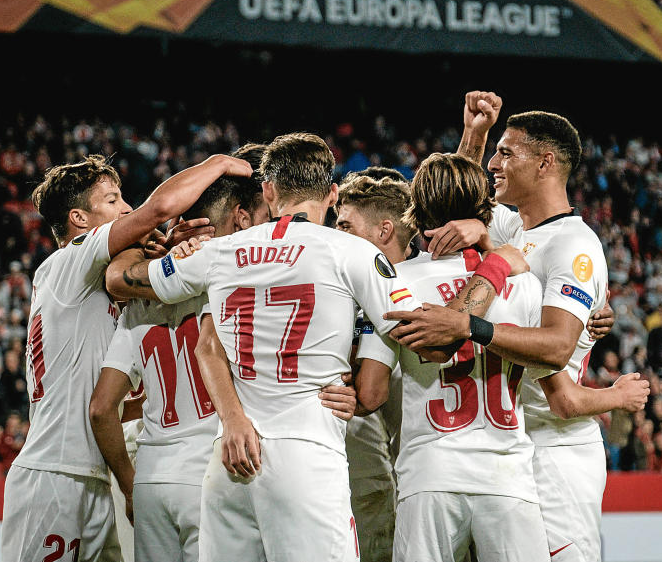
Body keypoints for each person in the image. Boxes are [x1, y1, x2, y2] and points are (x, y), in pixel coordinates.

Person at [104, 133, 425, 562]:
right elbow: (420, 330)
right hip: (307, 452)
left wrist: (164, 247)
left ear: (269, 191)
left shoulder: (218, 252)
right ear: (331, 193)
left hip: (231, 454)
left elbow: (125, 281)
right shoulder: (352, 252)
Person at [385, 95, 621, 561]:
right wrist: (475, 133)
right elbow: (454, 197)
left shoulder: (574, 244)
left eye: (506, 152)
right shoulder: (514, 227)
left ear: (546, 163)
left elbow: (556, 346)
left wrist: (469, 325)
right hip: (504, 438)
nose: (494, 162)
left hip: (555, 445)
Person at [1, 152, 250, 562]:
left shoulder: (95, 287)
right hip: (55, 474)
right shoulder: (69, 260)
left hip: (94, 476)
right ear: (80, 220)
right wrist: (218, 164)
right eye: (113, 200)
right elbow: (160, 208)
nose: (127, 208)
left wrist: (169, 250)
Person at [333, 172, 415, 562]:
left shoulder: (404, 292)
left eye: (345, 226)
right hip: (401, 475)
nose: (336, 236)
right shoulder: (446, 280)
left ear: (385, 231)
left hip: (411, 476)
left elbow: (369, 393)